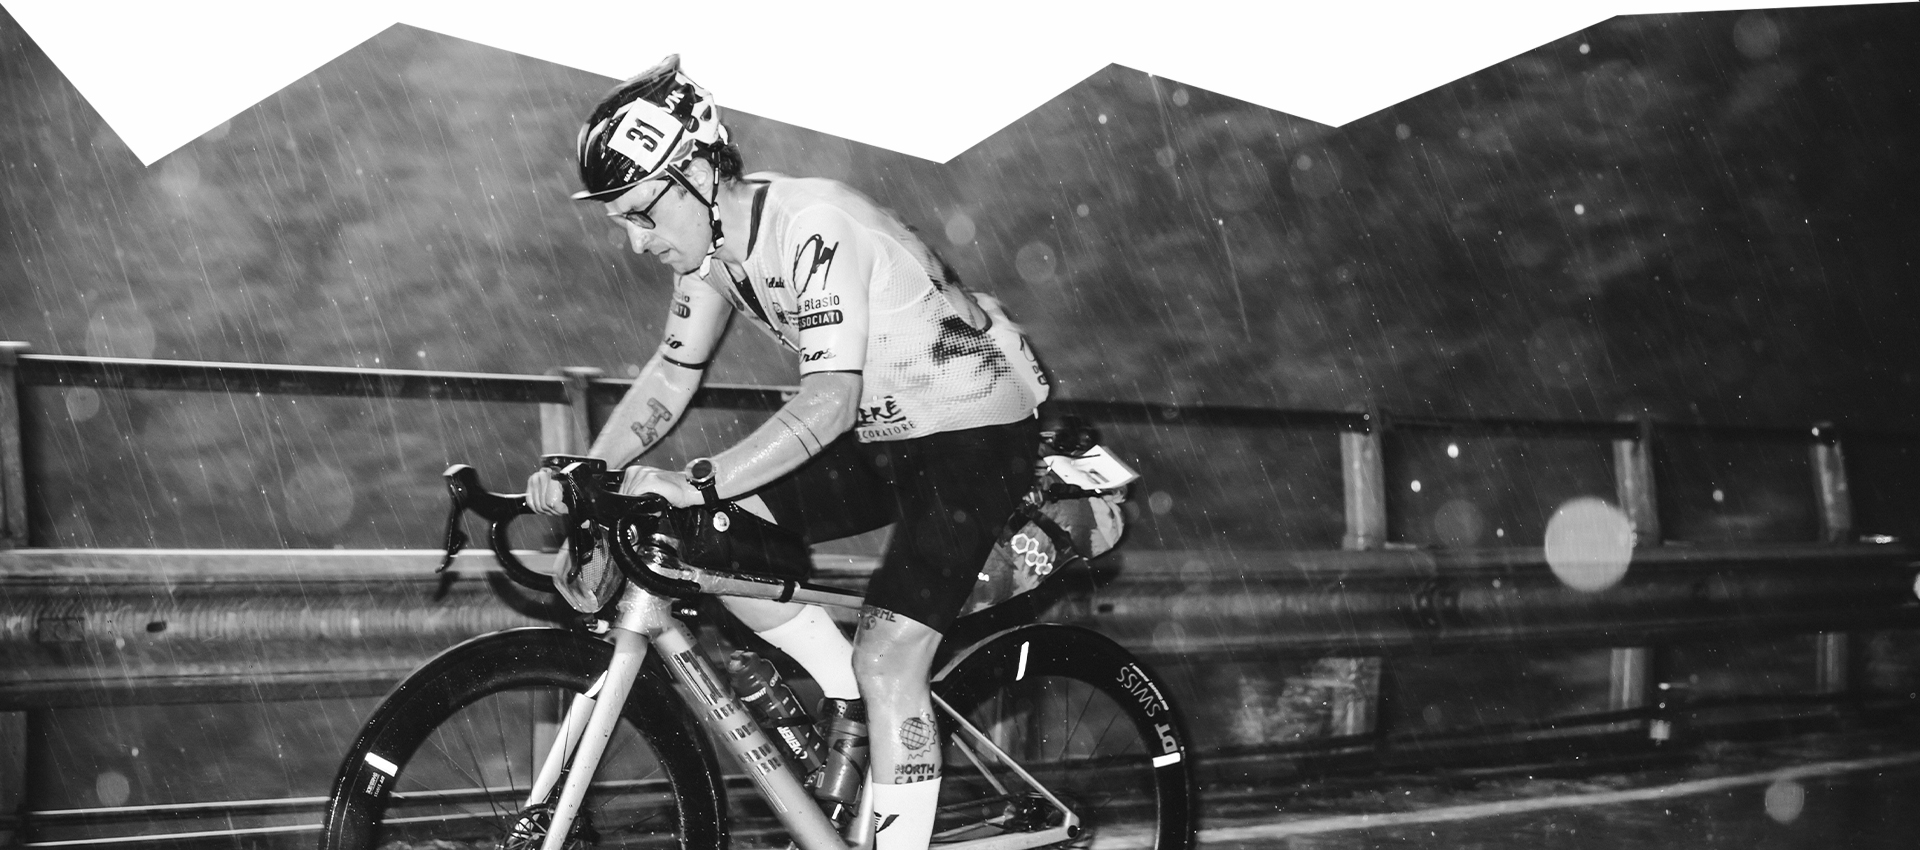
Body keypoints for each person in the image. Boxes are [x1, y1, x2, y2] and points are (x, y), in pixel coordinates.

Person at [524, 55, 1050, 850]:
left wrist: (695, 482)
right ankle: (852, 699)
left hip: (971, 434)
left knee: (889, 660)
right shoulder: (710, 254)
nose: (636, 242)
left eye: (643, 214)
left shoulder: (812, 226)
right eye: (622, 222)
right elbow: (671, 373)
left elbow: (829, 400)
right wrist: (590, 478)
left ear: (699, 172)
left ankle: (878, 696)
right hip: (882, 437)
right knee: (712, 540)